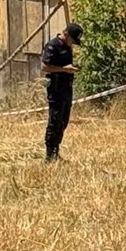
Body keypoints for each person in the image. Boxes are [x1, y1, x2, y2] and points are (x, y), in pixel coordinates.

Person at [40, 22, 83, 162]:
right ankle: (49, 154)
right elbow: (45, 67)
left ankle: (56, 150)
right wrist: (64, 69)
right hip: (56, 87)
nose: (73, 43)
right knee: (55, 120)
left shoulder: (67, 47)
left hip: (67, 87)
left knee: (63, 121)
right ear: (66, 34)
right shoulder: (53, 45)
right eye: (73, 40)